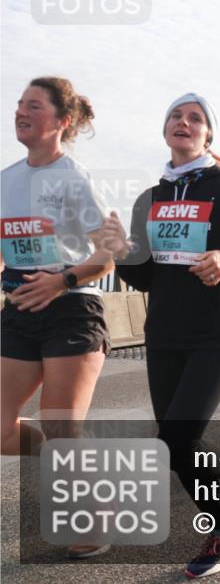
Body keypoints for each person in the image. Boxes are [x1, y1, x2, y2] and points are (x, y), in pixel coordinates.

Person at [99, 93, 220, 578]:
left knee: (181, 439)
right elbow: (145, 278)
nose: (184, 122)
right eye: (176, 117)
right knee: (173, 449)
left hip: (215, 334)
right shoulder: (151, 199)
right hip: (163, 334)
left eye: (195, 118)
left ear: (208, 136)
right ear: (166, 131)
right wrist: (121, 250)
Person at [1, 77, 114, 559]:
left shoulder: (75, 177)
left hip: (71, 307)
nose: (21, 112)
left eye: (34, 105)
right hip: (20, 307)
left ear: (61, 122)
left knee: (61, 423)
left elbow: (109, 253)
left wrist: (62, 280)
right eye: (19, 104)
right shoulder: (5, 178)